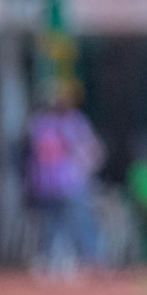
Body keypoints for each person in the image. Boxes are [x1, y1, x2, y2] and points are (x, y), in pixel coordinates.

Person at [26, 80, 105, 276]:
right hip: (48, 185)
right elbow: (37, 154)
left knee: (80, 222)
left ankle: (90, 259)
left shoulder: (77, 122)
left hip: (73, 184)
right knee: (51, 225)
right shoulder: (42, 123)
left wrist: (86, 169)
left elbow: (92, 151)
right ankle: (52, 259)